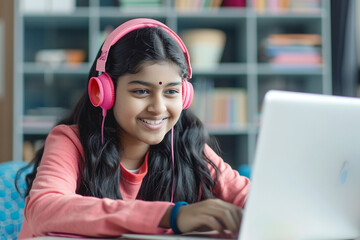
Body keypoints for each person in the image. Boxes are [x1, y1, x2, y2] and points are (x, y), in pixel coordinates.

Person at [16, 18, 250, 239]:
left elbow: (253, 199)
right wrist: (172, 216)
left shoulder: (188, 145)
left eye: (171, 91)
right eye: (141, 91)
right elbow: (44, 209)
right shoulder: (69, 141)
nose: (158, 108)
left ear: (185, 96)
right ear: (104, 93)